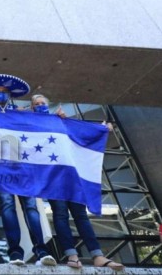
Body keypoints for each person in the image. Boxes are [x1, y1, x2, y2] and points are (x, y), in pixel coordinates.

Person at [31, 94, 125, 271]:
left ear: (49, 105)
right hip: (53, 178)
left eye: (43, 103)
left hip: (71, 176)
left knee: (80, 215)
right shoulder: (32, 123)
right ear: (32, 108)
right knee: (60, 214)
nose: (40, 106)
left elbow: (81, 133)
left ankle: (97, 255)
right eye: (36, 104)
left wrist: (102, 130)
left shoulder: (61, 121)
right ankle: (72, 256)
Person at [0, 74, 56, 266]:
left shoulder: (20, 112)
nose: (1, 94)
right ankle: (15, 253)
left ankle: (42, 252)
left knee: (31, 207)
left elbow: (43, 123)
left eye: (4, 92)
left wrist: (57, 118)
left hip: (24, 167)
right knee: (8, 206)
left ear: (10, 95)